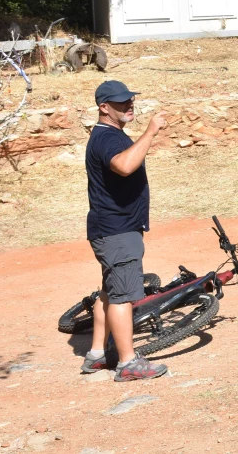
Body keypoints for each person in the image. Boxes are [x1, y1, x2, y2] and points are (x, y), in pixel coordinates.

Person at [82, 80, 168, 382]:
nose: (129, 105)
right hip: (117, 231)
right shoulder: (107, 139)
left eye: (130, 100)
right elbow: (124, 166)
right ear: (104, 107)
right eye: (121, 102)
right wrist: (150, 132)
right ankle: (128, 362)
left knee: (108, 293)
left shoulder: (110, 135)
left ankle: (96, 355)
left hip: (112, 229)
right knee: (122, 298)